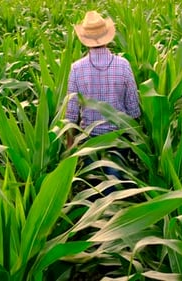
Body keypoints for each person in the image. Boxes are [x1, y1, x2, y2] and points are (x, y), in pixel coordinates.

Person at [65, 11, 141, 196]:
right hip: (119, 140)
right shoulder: (123, 65)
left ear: (85, 39)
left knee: (93, 193)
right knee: (116, 194)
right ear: (107, 37)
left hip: (90, 142)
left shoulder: (76, 68)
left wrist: (69, 147)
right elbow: (134, 109)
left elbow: (71, 114)